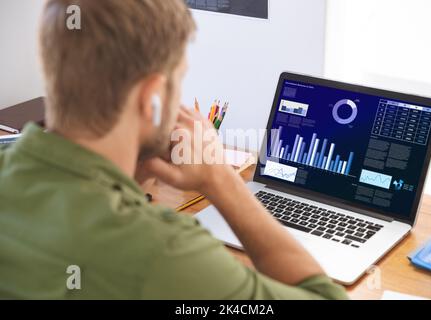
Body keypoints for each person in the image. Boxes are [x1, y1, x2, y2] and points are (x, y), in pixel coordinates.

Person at [0, 0, 347, 299]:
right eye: (178, 82)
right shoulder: (163, 255)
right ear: (150, 98)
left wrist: (131, 172)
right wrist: (220, 178)